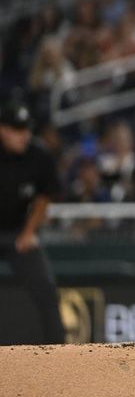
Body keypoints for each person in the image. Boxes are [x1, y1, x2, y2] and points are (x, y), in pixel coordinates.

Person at [0, 100, 65, 344]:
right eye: (17, 129)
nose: (24, 135)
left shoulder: (38, 154)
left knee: (46, 289)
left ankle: (59, 352)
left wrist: (29, 231)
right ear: (2, 129)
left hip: (18, 232)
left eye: (26, 129)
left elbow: (46, 194)